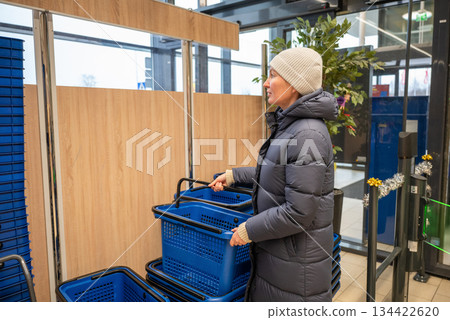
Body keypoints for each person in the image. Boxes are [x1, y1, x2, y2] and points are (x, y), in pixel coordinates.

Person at [209, 47, 338, 302]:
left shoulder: (307, 133)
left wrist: (249, 230)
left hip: (296, 270)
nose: (266, 83)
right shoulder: (293, 125)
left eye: (273, 75)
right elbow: (276, 171)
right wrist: (234, 175)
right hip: (284, 260)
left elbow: (299, 211)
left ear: (294, 84)